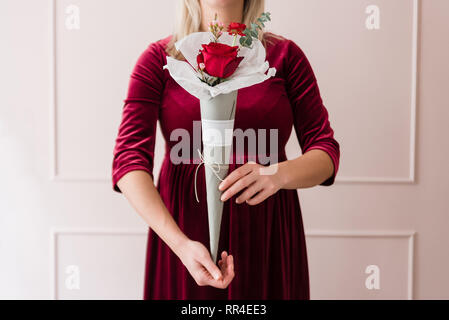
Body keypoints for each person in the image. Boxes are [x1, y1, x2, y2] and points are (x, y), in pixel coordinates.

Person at [112, 0, 340, 299]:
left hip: (266, 237)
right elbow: (128, 162)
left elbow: (326, 151)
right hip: (184, 238)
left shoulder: (285, 57)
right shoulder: (159, 60)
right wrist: (180, 245)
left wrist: (277, 174)